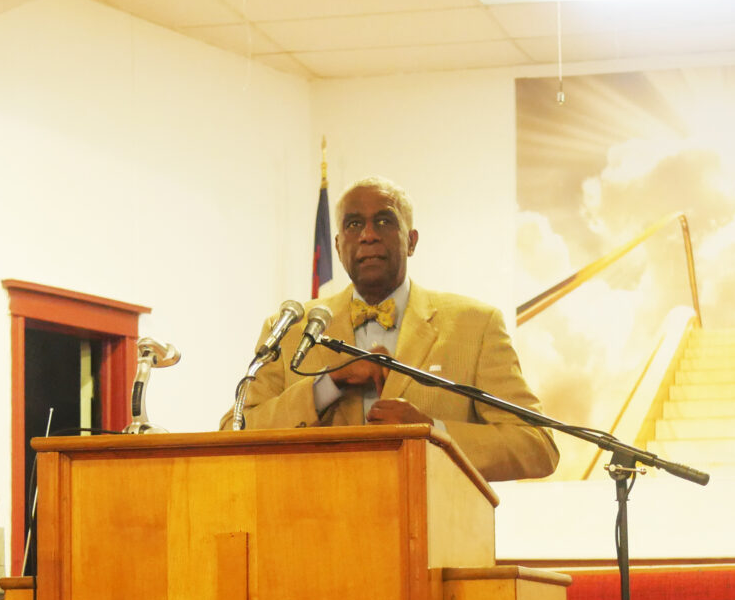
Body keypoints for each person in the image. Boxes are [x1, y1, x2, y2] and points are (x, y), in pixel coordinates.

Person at [237, 176, 559, 483]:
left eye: (384, 221)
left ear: (412, 241)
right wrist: (328, 384)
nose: (368, 235)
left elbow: (537, 444)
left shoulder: (476, 325)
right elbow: (236, 432)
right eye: (353, 224)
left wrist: (434, 433)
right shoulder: (292, 328)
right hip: (316, 531)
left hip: (434, 535)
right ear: (337, 246)